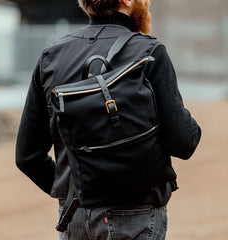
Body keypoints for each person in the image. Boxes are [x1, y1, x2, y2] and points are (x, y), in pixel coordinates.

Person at [16, 0, 202, 239]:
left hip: (74, 215)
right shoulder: (149, 53)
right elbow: (184, 142)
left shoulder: (51, 57)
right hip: (136, 214)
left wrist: (76, 192)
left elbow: (27, 156)